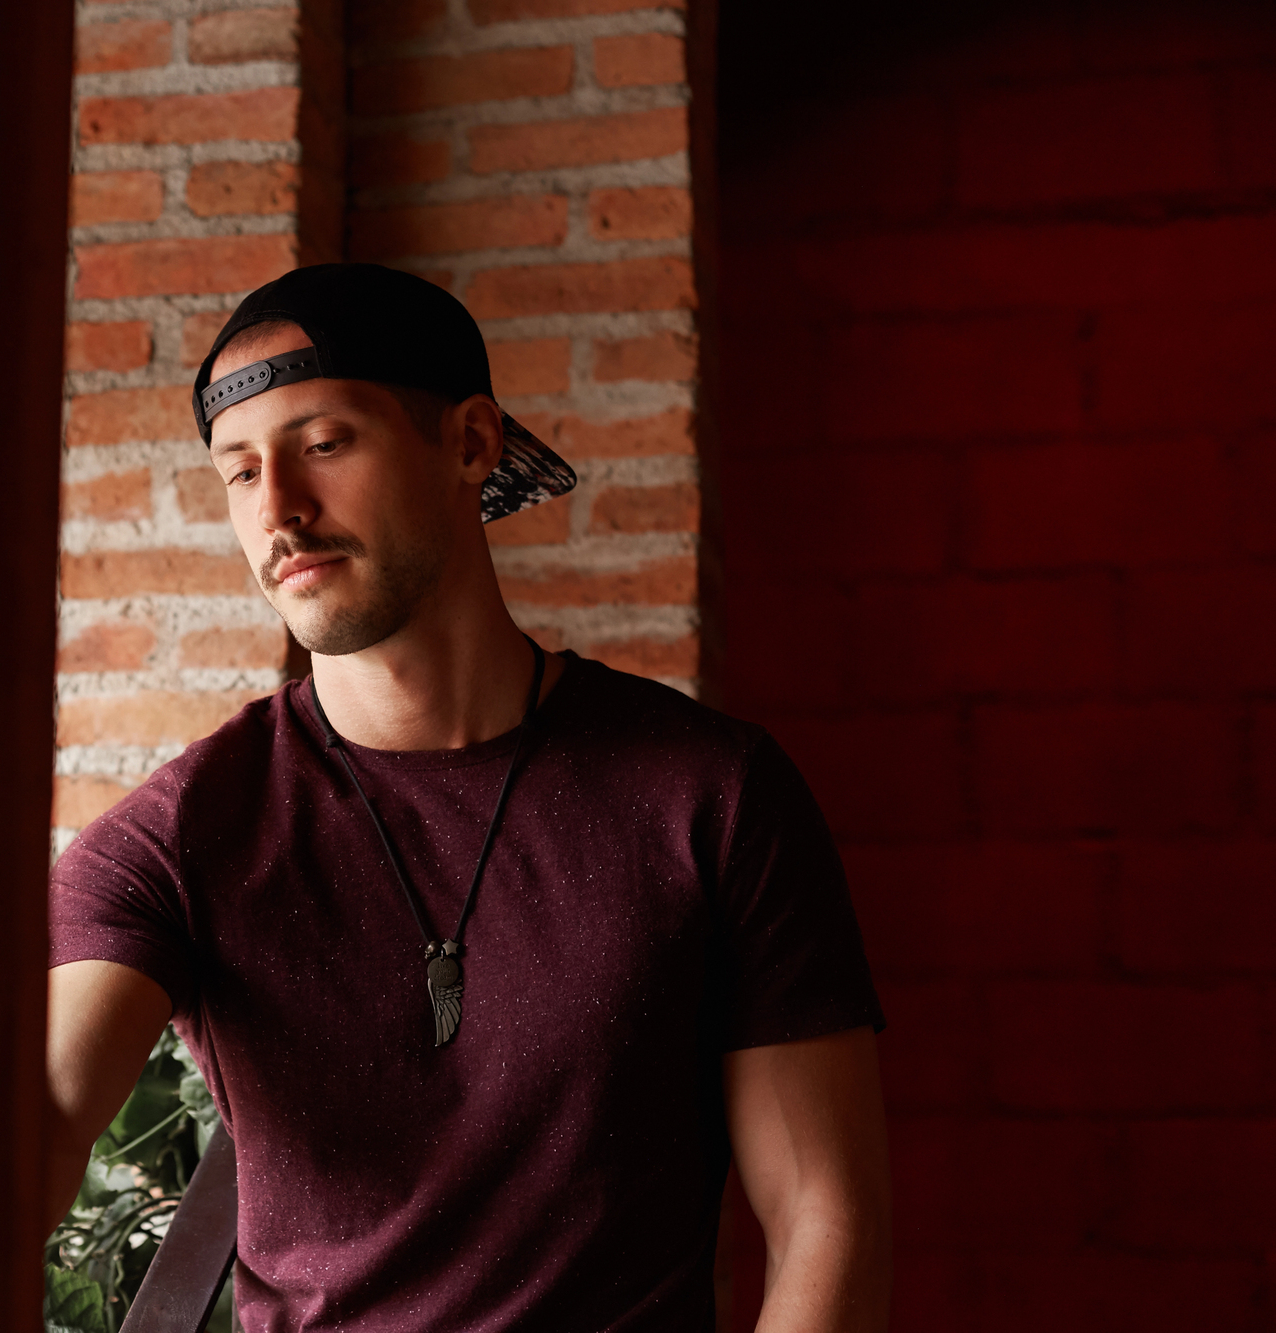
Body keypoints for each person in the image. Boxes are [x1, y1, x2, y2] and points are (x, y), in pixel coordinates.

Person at [46, 263, 891, 1332]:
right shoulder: (182, 831)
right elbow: (35, 1123)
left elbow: (825, 1213)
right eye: (236, 471)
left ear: (470, 443)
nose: (278, 511)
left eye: (323, 443)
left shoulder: (709, 795)